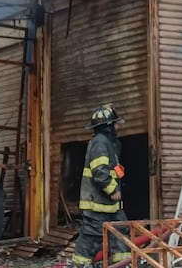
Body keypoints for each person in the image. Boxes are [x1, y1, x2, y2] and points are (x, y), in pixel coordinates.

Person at [70, 105, 131, 267]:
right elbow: (99, 171)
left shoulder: (109, 143)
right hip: (97, 202)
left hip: (110, 205)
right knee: (92, 235)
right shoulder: (100, 143)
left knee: (120, 231)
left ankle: (123, 263)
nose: (118, 127)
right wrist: (112, 189)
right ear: (108, 126)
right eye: (116, 124)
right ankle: (80, 264)